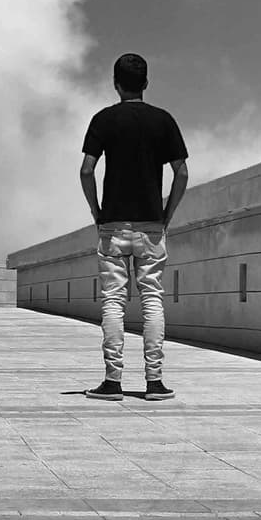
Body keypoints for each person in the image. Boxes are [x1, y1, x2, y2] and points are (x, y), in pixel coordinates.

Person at [79, 53, 188, 400]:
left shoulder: (104, 120)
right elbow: (181, 172)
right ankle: (154, 383)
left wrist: (97, 212)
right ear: (146, 83)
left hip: (112, 224)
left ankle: (112, 382)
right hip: (151, 225)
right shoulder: (163, 120)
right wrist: (167, 213)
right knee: (152, 300)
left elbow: (86, 170)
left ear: (115, 82)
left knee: (113, 301)